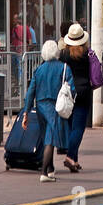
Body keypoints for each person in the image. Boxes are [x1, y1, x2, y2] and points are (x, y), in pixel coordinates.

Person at [25, 40, 72, 182]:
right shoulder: (64, 67)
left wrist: (26, 111)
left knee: (46, 136)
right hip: (54, 106)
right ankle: (44, 172)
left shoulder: (39, 69)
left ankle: (50, 169)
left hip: (40, 106)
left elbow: (30, 91)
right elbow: (71, 87)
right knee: (50, 139)